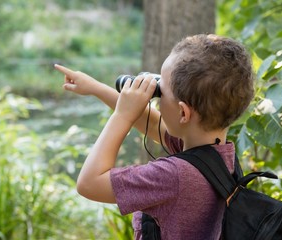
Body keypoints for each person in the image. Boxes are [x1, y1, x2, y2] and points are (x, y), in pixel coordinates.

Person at [54, 34, 254, 239]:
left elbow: (89, 184)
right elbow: (153, 123)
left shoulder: (173, 176)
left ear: (183, 113)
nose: (155, 96)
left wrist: (122, 116)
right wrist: (96, 88)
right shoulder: (215, 157)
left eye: (160, 91)